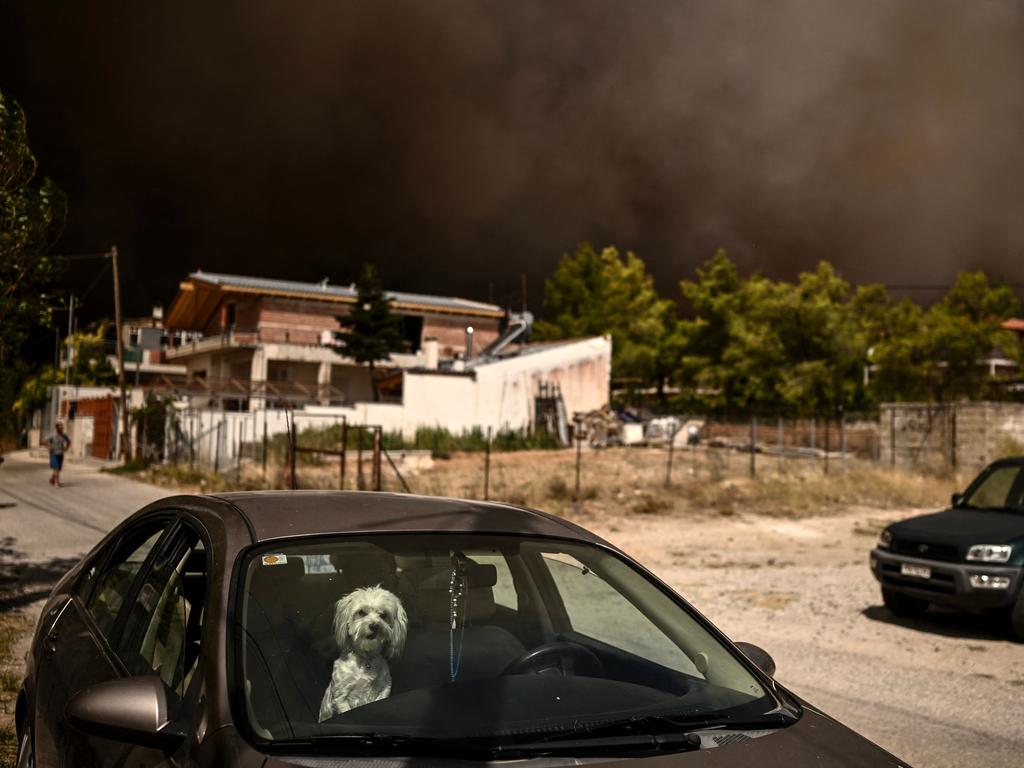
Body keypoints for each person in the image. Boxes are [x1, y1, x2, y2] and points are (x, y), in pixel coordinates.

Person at [48, 421, 71, 487]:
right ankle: (56, 482)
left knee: (58, 469)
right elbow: (47, 442)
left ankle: (52, 479)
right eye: (60, 427)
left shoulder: (64, 435)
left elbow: (69, 442)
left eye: (62, 427)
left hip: (61, 454)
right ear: (57, 428)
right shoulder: (52, 435)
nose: (61, 429)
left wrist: (66, 449)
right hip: (53, 454)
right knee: (56, 467)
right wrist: (49, 447)